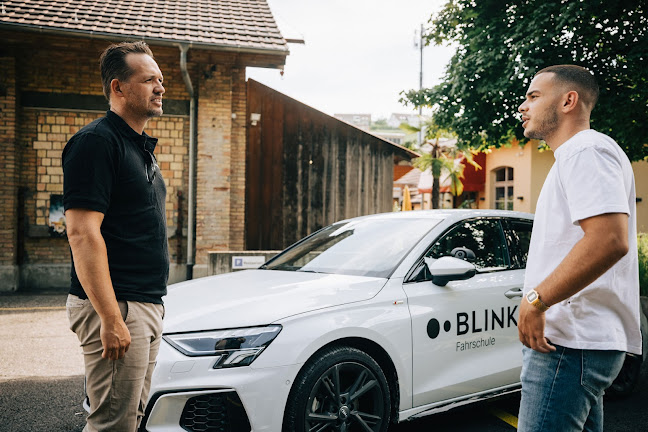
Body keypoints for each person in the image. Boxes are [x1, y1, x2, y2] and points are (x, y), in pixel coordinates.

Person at [516, 64, 641, 432]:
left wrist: (536, 300)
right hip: (576, 345)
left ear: (569, 100)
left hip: (569, 346)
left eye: (533, 96)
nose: (523, 106)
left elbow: (608, 239)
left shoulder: (585, 149)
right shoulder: (577, 155)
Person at [63, 41, 168, 431]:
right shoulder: (96, 142)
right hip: (116, 306)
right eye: (148, 80)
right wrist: (110, 317)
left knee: (130, 419)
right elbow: (82, 233)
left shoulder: (139, 148)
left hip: (143, 303)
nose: (160, 87)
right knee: (112, 424)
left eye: (160, 80)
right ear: (118, 87)